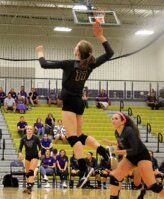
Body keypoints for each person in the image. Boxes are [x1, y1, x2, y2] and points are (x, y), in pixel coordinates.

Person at [36, 22, 112, 189]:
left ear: (78, 51)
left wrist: (40, 53)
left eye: (76, 46)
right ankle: (103, 151)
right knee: (80, 136)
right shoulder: (89, 64)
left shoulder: (69, 63)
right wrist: (100, 36)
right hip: (80, 103)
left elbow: (44, 64)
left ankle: (84, 169)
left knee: (72, 138)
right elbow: (110, 53)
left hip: (70, 103)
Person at [100, 112, 164, 199]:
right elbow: (121, 144)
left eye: (116, 118)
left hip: (142, 156)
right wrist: (115, 148)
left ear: (123, 121)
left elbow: (134, 149)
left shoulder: (129, 131)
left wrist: (120, 152)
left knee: (152, 185)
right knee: (114, 176)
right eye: (112, 118)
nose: (113, 120)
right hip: (131, 157)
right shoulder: (117, 132)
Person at [18, 126, 42, 194]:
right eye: (28, 129)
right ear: (26, 130)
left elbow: (40, 147)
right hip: (27, 157)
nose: (29, 130)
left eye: (30, 129)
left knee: (31, 171)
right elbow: (20, 148)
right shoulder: (23, 138)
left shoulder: (36, 138)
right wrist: (19, 153)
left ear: (32, 131)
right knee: (28, 173)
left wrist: (40, 151)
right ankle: (30, 185)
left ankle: (29, 187)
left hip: (35, 156)